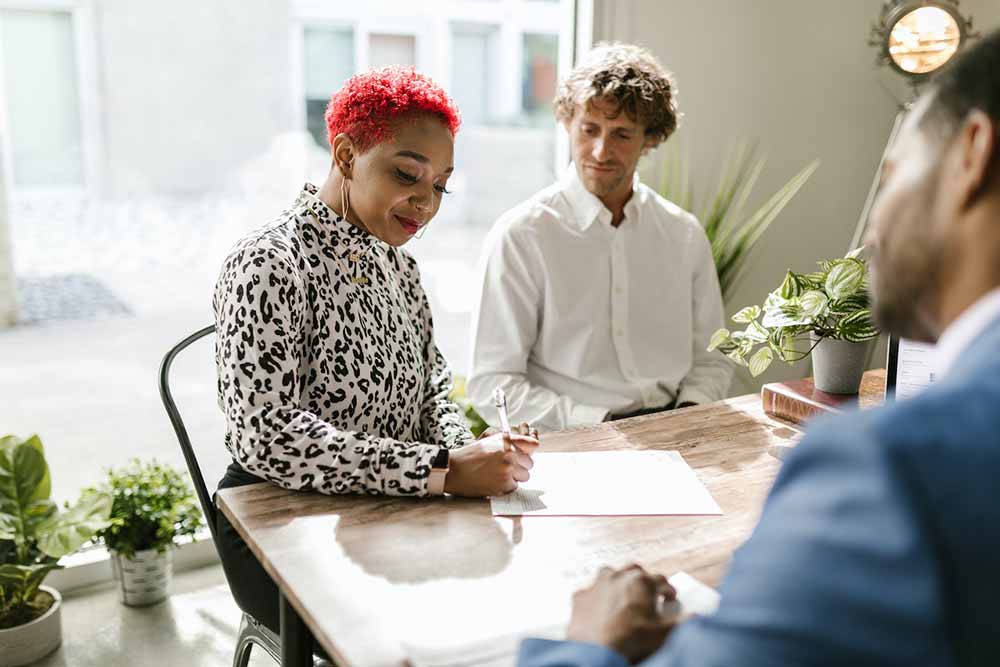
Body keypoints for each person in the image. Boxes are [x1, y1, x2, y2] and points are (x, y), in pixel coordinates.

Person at [517, 29, 1000, 667]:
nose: (875, 222)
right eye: (590, 128)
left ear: (972, 155)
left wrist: (585, 646)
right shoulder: (524, 234)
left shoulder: (885, 468)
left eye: (893, 175)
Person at [212, 66, 538, 634]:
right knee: (445, 626)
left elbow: (432, 383)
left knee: (526, 592)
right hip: (280, 525)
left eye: (440, 184)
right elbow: (266, 437)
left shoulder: (399, 266)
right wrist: (441, 470)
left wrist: (469, 455)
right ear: (344, 156)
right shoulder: (269, 262)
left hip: (396, 509)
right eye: (408, 174)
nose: (426, 202)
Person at [467, 43, 732, 432]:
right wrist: (601, 424)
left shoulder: (683, 235)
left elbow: (712, 358)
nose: (601, 150)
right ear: (567, 123)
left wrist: (687, 416)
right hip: (573, 439)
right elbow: (493, 383)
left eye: (622, 134)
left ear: (651, 139)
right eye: (589, 129)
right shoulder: (522, 236)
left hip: (680, 429)